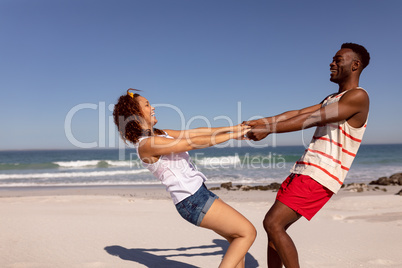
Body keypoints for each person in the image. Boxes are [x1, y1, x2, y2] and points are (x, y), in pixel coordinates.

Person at [245, 43, 370, 268]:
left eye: (338, 59)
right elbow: (299, 113)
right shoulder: (333, 97)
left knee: (273, 224)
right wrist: (264, 121)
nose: (331, 63)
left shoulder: (358, 97)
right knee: (274, 229)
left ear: (355, 65)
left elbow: (314, 119)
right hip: (304, 169)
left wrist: (269, 130)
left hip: (320, 175)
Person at [113, 89, 257, 268]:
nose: (153, 107)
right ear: (135, 115)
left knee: (237, 244)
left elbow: (194, 134)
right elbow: (189, 144)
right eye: (147, 105)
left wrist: (234, 128)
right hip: (192, 199)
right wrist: (232, 136)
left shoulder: (159, 134)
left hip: (198, 194)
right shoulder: (147, 144)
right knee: (247, 233)